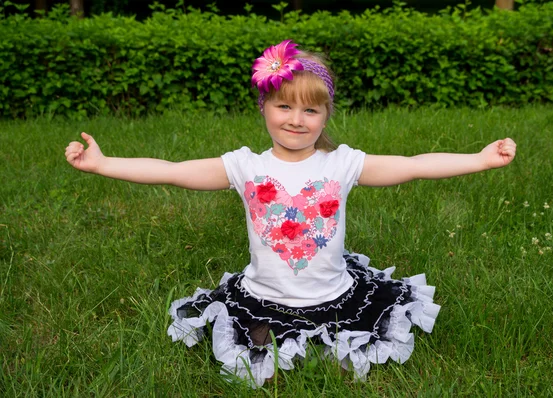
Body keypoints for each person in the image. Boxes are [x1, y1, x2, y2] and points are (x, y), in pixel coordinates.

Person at [65, 40, 517, 387]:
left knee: (344, 363)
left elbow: (414, 165)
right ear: (263, 106)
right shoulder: (246, 165)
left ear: (325, 115)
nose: (296, 119)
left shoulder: (342, 163)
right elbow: (173, 172)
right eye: (284, 106)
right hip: (265, 295)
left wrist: (479, 158)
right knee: (260, 365)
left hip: (334, 293)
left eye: (310, 110)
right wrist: (104, 164)